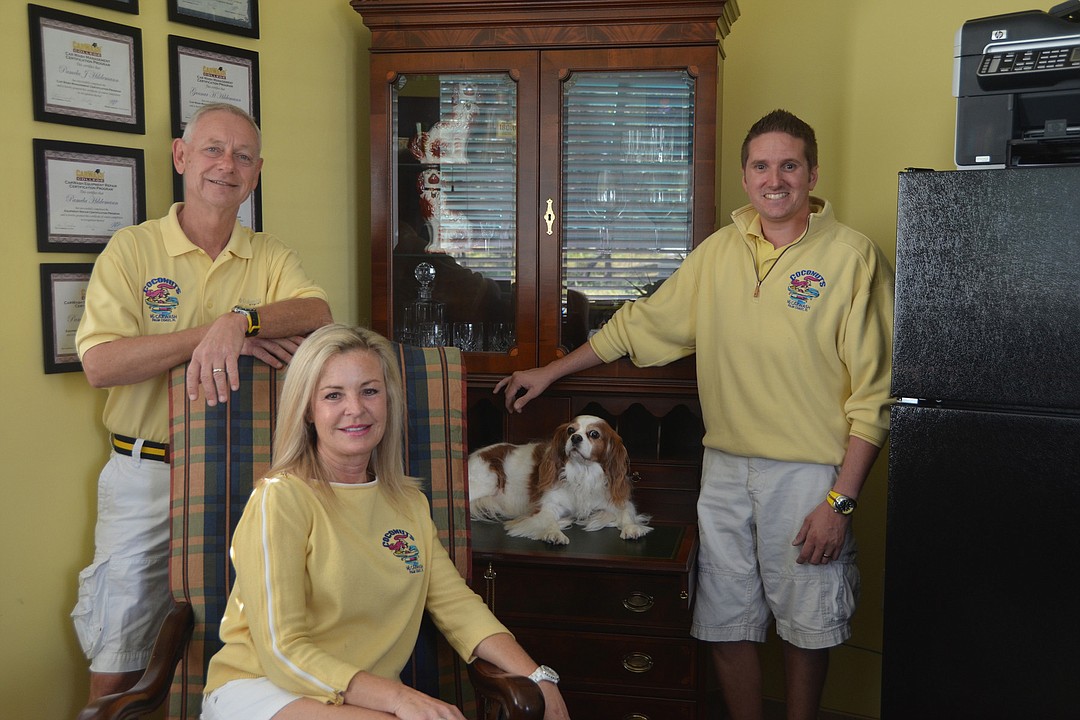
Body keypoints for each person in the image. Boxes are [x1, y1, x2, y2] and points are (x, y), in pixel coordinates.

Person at [496, 109, 894, 720]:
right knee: (726, 620)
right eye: (761, 166)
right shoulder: (718, 253)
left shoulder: (853, 257)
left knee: (808, 622)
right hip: (725, 468)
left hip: (809, 475)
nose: (775, 179)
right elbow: (639, 325)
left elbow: (876, 395)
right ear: (745, 176)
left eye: (789, 165)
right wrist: (551, 371)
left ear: (813, 174)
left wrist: (839, 501)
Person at [73, 102, 334, 702]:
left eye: (243, 156)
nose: (227, 165)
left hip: (250, 474)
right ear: (181, 156)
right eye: (213, 149)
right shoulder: (131, 250)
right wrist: (212, 337)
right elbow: (101, 364)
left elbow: (318, 313)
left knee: (251, 633)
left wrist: (240, 322)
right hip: (148, 475)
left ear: (257, 172)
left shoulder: (270, 256)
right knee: (120, 652)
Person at [200, 324, 571, 720]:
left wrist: (539, 678)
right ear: (307, 409)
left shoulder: (409, 503)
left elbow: (458, 606)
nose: (355, 409)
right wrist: (399, 698)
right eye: (333, 395)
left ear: (388, 400)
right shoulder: (280, 498)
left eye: (370, 391)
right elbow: (283, 649)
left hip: (359, 697)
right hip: (266, 687)